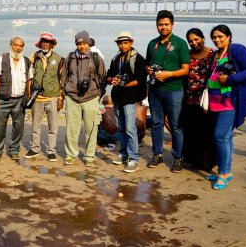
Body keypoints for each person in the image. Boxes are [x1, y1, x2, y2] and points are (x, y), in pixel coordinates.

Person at [206, 24, 246, 190]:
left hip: (229, 102)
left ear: (228, 36)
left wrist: (229, 80)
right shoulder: (216, 54)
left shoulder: (237, 50)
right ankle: (227, 171)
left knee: (219, 137)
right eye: (214, 37)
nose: (217, 39)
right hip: (215, 103)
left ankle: (222, 173)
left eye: (220, 36)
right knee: (226, 138)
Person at [146, 10, 190, 172]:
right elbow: (147, 64)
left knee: (176, 125)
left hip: (174, 90)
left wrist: (168, 74)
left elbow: (186, 69)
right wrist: (150, 70)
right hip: (155, 90)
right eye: (160, 24)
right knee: (156, 124)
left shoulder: (180, 43)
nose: (163, 27)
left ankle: (178, 157)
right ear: (156, 26)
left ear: (172, 25)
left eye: (166, 24)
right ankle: (157, 154)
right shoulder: (152, 44)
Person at [60, 30, 105, 167]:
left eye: (85, 43)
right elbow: (64, 76)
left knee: (91, 129)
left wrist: (99, 94)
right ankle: (71, 154)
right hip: (72, 97)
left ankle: (89, 156)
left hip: (91, 97)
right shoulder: (70, 57)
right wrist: (63, 92)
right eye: (79, 44)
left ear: (88, 43)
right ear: (76, 44)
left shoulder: (96, 58)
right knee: (71, 128)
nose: (82, 46)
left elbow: (103, 77)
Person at [107, 31, 147, 173]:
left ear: (131, 43)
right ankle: (123, 154)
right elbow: (109, 75)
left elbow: (141, 79)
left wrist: (125, 84)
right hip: (117, 97)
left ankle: (134, 159)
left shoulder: (137, 58)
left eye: (125, 43)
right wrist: (112, 80)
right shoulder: (115, 58)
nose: (123, 45)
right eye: (120, 43)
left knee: (130, 129)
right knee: (121, 128)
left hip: (130, 98)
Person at [0, 37, 32, 161]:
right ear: (11, 45)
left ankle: (14, 149)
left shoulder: (26, 61)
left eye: (20, 46)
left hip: (20, 100)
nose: (18, 48)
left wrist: (28, 97)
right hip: (3, 100)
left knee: (18, 127)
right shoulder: (1, 59)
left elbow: (29, 80)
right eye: (15, 45)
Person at [24, 32, 64, 162]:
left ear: (52, 44)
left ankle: (51, 151)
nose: (45, 44)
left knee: (53, 127)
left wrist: (60, 98)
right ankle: (35, 148)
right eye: (43, 41)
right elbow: (26, 70)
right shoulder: (34, 56)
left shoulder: (59, 59)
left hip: (52, 97)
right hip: (37, 97)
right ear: (40, 43)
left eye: (48, 42)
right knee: (35, 126)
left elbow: (62, 79)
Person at [182, 28, 216, 171]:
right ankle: (193, 160)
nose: (193, 43)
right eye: (190, 41)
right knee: (192, 131)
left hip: (207, 100)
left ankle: (208, 162)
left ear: (203, 38)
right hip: (189, 99)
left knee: (207, 131)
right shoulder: (187, 55)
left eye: (196, 39)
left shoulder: (213, 54)